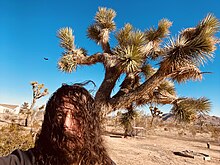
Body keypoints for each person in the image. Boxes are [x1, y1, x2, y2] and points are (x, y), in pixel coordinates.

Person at [0, 83, 116, 165]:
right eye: (60, 115)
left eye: (77, 116)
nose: (66, 124)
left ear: (90, 124)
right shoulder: (30, 160)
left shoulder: (103, 163)